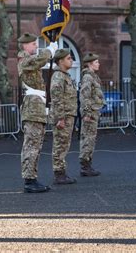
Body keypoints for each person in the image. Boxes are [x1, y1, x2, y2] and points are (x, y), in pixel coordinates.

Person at [17, 33, 57, 193]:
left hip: (37, 107)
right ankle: (29, 180)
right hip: (32, 108)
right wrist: (49, 51)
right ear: (25, 46)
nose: (36, 46)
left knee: (37, 145)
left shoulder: (29, 60)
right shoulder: (24, 59)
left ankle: (32, 177)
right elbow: (37, 61)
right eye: (33, 44)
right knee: (31, 145)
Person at [50, 48, 78, 185]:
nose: (71, 60)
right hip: (63, 116)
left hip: (68, 115)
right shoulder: (58, 76)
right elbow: (57, 98)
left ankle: (61, 172)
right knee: (60, 145)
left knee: (64, 145)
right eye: (68, 58)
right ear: (60, 61)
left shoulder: (65, 75)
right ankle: (59, 174)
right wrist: (60, 118)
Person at [79, 53, 105, 176]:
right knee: (88, 139)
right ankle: (85, 166)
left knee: (91, 139)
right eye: (96, 62)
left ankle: (87, 164)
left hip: (94, 111)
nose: (98, 64)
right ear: (89, 64)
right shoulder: (88, 78)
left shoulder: (93, 77)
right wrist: (87, 112)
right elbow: (85, 96)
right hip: (90, 112)